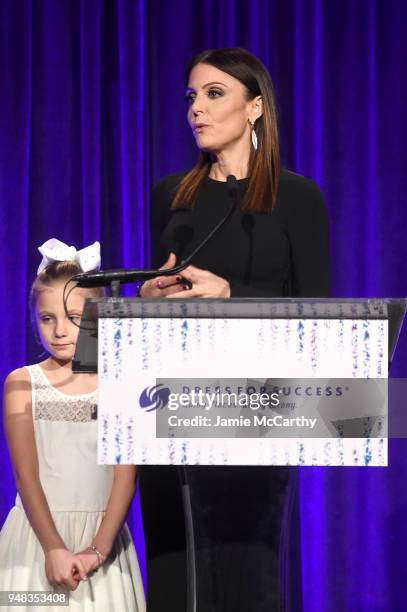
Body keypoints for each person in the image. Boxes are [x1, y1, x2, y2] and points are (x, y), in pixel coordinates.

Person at [139, 48, 330, 612]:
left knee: (248, 578)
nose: (196, 108)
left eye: (214, 94)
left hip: (257, 415)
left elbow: (319, 317)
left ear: (256, 108)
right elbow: (162, 302)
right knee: (178, 579)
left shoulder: (297, 198)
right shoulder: (172, 196)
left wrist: (232, 296)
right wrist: (148, 299)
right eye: (191, 96)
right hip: (171, 412)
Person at [0, 239, 146, 612]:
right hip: (38, 540)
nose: (60, 331)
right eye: (47, 318)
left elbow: (125, 478)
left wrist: (98, 550)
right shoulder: (22, 382)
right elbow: (26, 476)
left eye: (74, 317)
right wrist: (54, 549)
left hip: (102, 542)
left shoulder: (120, 381)